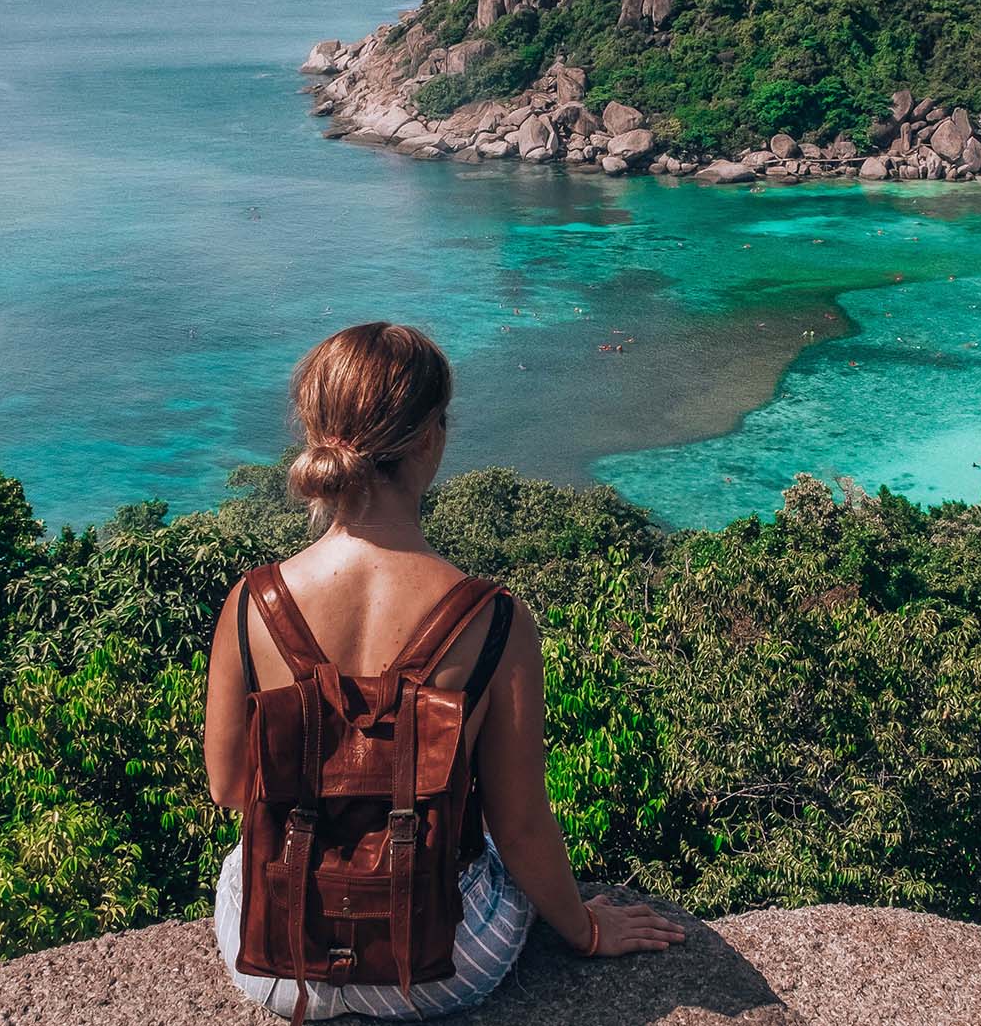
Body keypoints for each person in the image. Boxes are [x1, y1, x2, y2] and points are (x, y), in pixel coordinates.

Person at [203, 323, 683, 1020]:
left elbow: (229, 788)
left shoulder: (253, 602)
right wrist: (586, 930)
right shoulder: (493, 619)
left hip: (279, 961)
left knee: (238, 863)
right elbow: (520, 827)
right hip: (438, 968)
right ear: (431, 438)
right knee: (490, 848)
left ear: (316, 435)